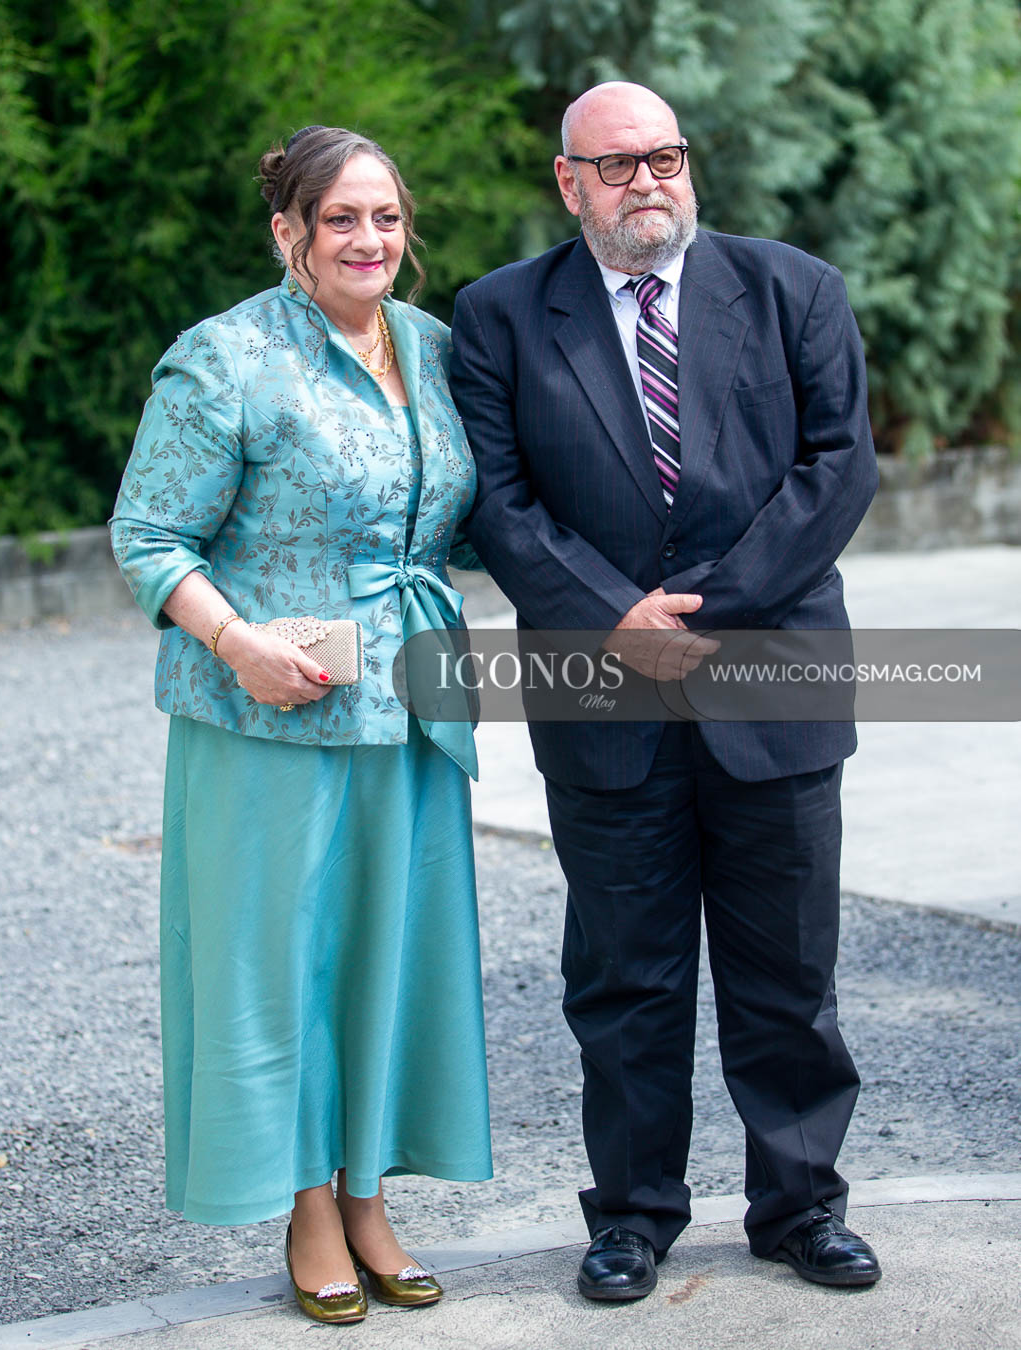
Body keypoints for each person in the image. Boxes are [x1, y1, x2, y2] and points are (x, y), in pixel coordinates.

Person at [449, 82, 881, 1301]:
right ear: (568, 180)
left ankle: (800, 1208)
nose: (647, 181)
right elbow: (496, 501)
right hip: (600, 696)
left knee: (787, 977)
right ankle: (632, 1217)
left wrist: (704, 610)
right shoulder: (499, 315)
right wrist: (611, 618)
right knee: (623, 982)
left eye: (665, 157)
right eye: (618, 163)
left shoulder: (793, 289)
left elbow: (838, 468)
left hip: (772, 678)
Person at [110, 125, 491, 1326]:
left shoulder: (435, 347)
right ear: (288, 232)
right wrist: (238, 643)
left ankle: (368, 1195)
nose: (368, 239)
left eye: (386, 217)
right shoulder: (223, 358)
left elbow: (469, 515)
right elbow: (147, 537)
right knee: (281, 968)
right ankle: (307, 1207)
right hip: (270, 713)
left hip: (413, 704)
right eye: (340, 219)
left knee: (389, 958)